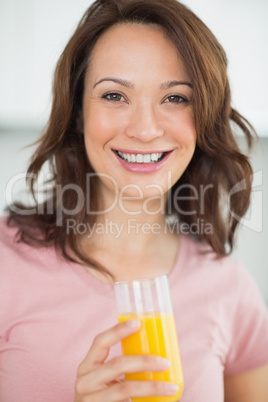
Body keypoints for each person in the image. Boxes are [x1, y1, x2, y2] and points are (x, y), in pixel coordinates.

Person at [1, 0, 268, 400]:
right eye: (114, 95)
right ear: (77, 112)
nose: (145, 129)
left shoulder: (228, 287)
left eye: (176, 98)